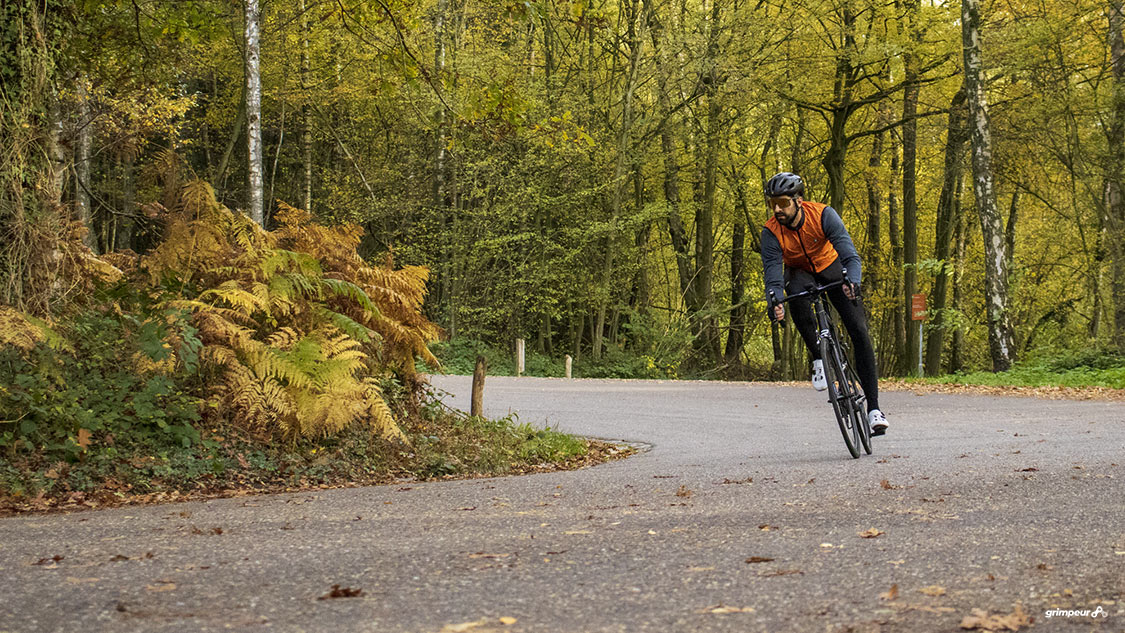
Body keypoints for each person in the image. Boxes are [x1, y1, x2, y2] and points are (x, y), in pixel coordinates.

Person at [759, 172, 888, 436]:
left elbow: (851, 256)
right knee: (794, 294)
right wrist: (774, 300)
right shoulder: (771, 231)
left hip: (831, 267)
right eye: (773, 203)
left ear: (799, 200)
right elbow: (772, 273)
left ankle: (874, 409)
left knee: (859, 332)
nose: (777, 209)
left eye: (783, 202)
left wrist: (852, 282)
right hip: (800, 273)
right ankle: (818, 357)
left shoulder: (823, 215)